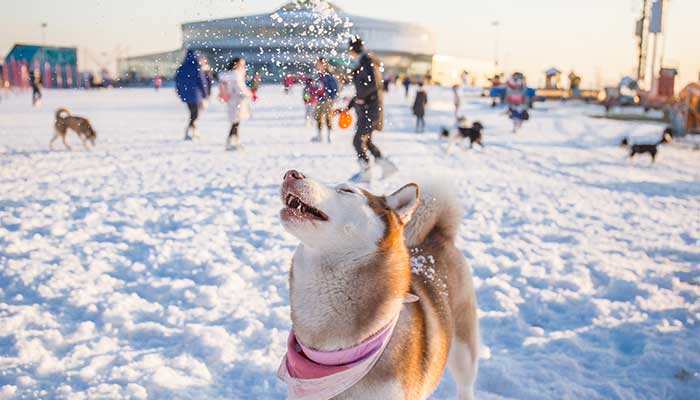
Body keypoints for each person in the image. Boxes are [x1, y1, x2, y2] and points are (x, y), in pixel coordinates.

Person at [340, 36, 398, 182]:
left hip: (370, 109)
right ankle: (386, 166)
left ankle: (366, 171)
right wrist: (349, 106)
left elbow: (374, 85)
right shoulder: (365, 62)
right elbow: (363, 89)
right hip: (367, 108)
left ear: (352, 50)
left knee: (358, 141)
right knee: (367, 141)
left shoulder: (368, 62)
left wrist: (361, 98)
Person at [219, 57, 252, 150]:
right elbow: (240, 89)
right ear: (236, 64)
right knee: (235, 122)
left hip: (232, 101)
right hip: (237, 100)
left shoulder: (227, 75)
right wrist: (249, 94)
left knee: (235, 122)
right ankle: (232, 142)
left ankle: (233, 141)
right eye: (242, 64)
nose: (243, 67)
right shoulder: (236, 75)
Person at [175, 49, 210, 140]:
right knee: (195, 113)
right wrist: (205, 93)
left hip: (186, 93)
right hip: (196, 93)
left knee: (192, 112)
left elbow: (178, 81)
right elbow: (202, 81)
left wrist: (180, 92)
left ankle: (193, 130)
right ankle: (190, 130)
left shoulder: (182, 67)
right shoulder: (196, 67)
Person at [311, 57, 339, 143]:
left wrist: (331, 97)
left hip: (327, 99)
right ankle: (319, 135)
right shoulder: (318, 76)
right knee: (318, 117)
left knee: (328, 116)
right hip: (320, 99)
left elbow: (334, 87)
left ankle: (329, 135)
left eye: (319, 64)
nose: (317, 66)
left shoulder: (328, 76)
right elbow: (315, 87)